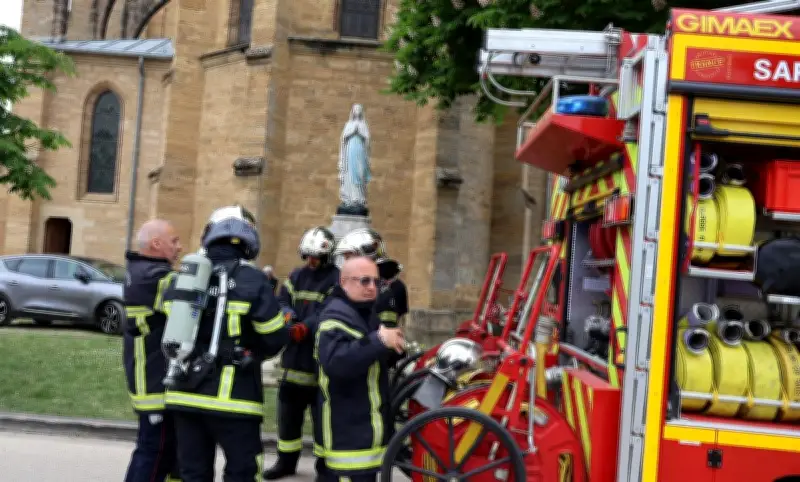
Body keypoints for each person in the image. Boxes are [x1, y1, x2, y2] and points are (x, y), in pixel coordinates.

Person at [163, 205, 290, 482]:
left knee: (192, 473)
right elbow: (275, 336)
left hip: (183, 394)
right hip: (234, 399)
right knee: (242, 471)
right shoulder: (253, 280)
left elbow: (167, 323)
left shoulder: (183, 276)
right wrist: (252, 352)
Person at [314, 256, 406, 482]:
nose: (372, 288)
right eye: (364, 281)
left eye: (376, 282)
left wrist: (393, 348)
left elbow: (369, 359)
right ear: (344, 282)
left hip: (364, 436)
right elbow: (337, 363)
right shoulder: (335, 316)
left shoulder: (364, 312)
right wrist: (378, 341)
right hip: (348, 439)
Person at [264, 226, 339, 480]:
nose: (311, 261)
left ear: (327, 256)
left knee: (321, 423)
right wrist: (288, 315)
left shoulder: (337, 280)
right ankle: (285, 463)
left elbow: (328, 312)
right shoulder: (296, 275)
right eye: (307, 256)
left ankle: (324, 469)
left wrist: (304, 328)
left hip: (319, 363)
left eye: (315, 257)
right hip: (292, 361)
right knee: (288, 419)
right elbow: (283, 300)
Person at [123, 219, 183, 482]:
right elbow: (183, 302)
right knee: (154, 453)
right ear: (156, 244)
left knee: (159, 451)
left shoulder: (141, 270)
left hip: (151, 376)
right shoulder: (154, 277)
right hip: (153, 380)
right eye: (175, 241)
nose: (180, 248)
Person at [333, 229, 409, 329]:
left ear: (366, 256)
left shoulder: (387, 292)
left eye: (348, 258)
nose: (346, 264)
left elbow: (387, 335)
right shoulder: (347, 287)